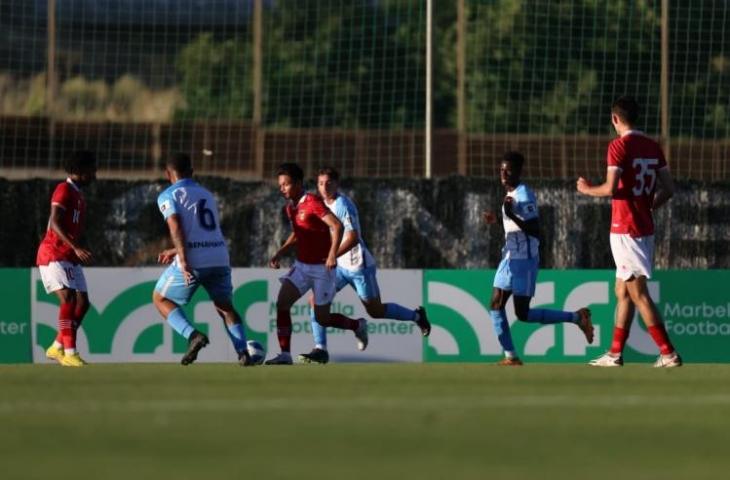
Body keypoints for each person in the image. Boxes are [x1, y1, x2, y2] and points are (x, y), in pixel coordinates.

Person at [577, 96, 681, 368]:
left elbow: (611, 188)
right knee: (622, 291)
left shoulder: (618, 146)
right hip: (644, 227)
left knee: (637, 293)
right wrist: (648, 206)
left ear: (615, 119)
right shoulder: (652, 146)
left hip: (626, 228)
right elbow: (668, 189)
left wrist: (587, 189)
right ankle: (614, 354)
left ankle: (668, 353)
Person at [298, 167, 431, 364]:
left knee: (375, 311)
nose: (324, 187)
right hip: (336, 267)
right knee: (315, 301)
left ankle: (417, 316)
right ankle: (321, 349)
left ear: (337, 184)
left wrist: (331, 254)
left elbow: (353, 238)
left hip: (358, 266)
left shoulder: (343, 205)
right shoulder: (318, 205)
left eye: (329, 183)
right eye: (320, 183)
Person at [484, 151, 594, 366]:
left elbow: (535, 229)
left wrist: (511, 214)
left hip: (524, 260)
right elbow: (515, 224)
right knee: (496, 304)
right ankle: (511, 357)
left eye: (508, 170)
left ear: (518, 172)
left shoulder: (523, 194)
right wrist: (499, 219)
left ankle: (577, 318)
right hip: (509, 257)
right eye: (501, 169)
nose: (503, 174)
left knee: (522, 313)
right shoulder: (511, 193)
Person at [152, 153, 253, 366]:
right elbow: (201, 230)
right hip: (218, 256)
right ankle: (243, 351)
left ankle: (192, 335)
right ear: (192, 171)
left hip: (193, 259)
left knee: (160, 298)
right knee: (225, 307)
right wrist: (175, 250)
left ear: (168, 174)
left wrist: (183, 258)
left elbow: (176, 226)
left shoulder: (168, 195)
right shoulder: (206, 194)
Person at [266, 162, 368, 365]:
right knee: (282, 304)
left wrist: (332, 255)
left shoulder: (312, 201)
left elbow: (337, 226)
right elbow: (298, 233)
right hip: (302, 267)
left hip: (322, 269)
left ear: (297, 183)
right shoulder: (291, 207)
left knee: (322, 318)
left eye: (285, 184)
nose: (282, 188)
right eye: (280, 185)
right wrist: (280, 252)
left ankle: (357, 325)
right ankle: (285, 355)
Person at [38, 150, 97, 367]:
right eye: (91, 171)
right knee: (68, 299)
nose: (94, 175)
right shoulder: (63, 189)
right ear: (79, 172)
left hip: (69, 255)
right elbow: (55, 222)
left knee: (83, 303)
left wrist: (75, 249)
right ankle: (70, 353)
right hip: (53, 253)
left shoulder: (78, 195)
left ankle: (56, 346)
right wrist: (75, 246)